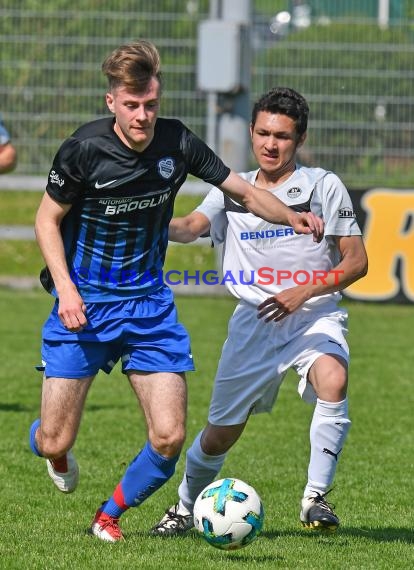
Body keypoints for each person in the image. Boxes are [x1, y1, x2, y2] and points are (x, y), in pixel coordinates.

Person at [28, 43, 323, 543]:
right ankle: (50, 446)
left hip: (149, 307)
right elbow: (46, 219)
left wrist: (290, 214)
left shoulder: (177, 142)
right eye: (131, 105)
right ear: (111, 103)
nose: (142, 116)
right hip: (86, 305)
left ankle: (108, 516)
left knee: (169, 437)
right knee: (56, 436)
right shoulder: (83, 149)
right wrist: (66, 289)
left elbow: (245, 191)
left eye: (150, 105)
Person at [151, 87, 368, 536]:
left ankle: (315, 498)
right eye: (264, 133)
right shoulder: (234, 189)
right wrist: (150, 220)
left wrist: (302, 292)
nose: (271, 144)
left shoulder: (322, 186)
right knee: (220, 433)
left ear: (300, 139)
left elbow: (356, 261)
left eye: (283, 136)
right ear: (251, 132)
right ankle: (185, 509)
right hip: (254, 322)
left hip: (313, 316)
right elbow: (191, 227)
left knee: (334, 377)